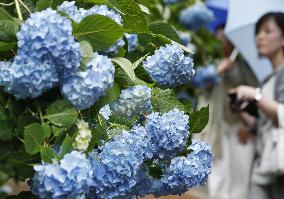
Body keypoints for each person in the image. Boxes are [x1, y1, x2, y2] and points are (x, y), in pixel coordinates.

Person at [189, 24, 258, 199]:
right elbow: (200, 87)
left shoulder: (244, 66)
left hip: (238, 127)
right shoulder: (208, 63)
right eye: (219, 38)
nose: (222, 42)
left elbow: (256, 95)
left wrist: (251, 128)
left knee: (240, 176)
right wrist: (217, 71)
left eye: (226, 39)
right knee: (218, 174)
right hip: (215, 128)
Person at [229, 12, 284, 199]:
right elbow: (261, 126)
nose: (260, 37)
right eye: (258, 32)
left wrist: (255, 94)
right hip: (264, 166)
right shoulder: (267, 80)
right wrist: (240, 111)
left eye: (268, 31)